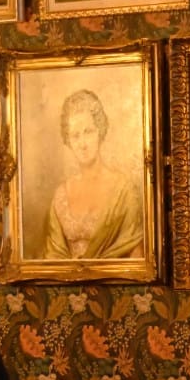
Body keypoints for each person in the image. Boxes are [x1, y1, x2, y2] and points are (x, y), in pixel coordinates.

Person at [44, 88, 146, 259]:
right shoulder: (61, 195)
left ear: (100, 131)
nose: (82, 144)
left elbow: (136, 255)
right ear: (68, 141)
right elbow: (53, 257)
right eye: (75, 136)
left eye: (88, 131)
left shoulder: (124, 191)